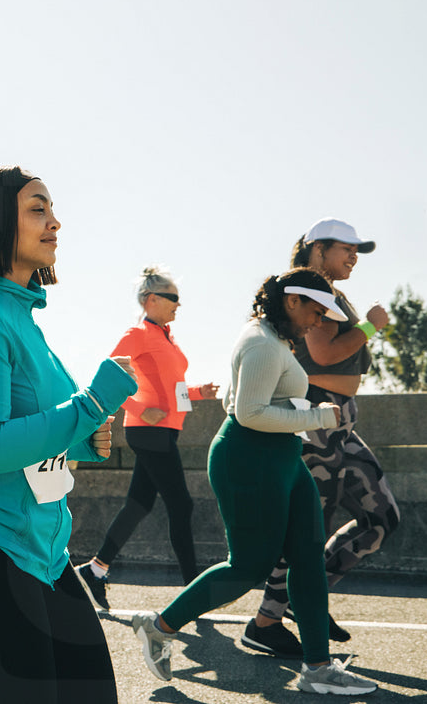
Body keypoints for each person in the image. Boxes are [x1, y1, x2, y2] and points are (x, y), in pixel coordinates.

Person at [0, 167, 135, 704]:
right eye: (38, 209)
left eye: (51, 210)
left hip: (43, 553)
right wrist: (90, 405)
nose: (55, 222)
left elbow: (30, 426)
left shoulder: (19, 314)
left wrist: (81, 438)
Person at [131, 268, 377, 696]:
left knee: (308, 557)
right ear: (292, 301)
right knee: (249, 565)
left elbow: (241, 401)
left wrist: (298, 418)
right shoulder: (262, 343)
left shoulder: (272, 339)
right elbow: (248, 413)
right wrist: (316, 416)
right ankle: (159, 626)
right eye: (316, 311)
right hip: (250, 458)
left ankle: (317, 668)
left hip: (282, 456)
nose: (319, 322)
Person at [242, 218, 400, 658]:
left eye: (356, 251)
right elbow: (325, 354)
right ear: (317, 248)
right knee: (309, 529)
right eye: (346, 249)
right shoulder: (312, 295)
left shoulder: (329, 294)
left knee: (382, 518)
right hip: (317, 422)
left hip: (341, 423)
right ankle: (265, 623)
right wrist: (371, 326)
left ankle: (307, 598)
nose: (353, 257)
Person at [74, 266, 219, 609]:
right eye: (173, 298)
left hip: (165, 430)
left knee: (139, 504)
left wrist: (199, 392)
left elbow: (173, 388)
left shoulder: (166, 338)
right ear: (151, 300)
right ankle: (193, 591)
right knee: (181, 504)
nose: (178, 305)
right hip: (148, 431)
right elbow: (106, 378)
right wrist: (139, 407)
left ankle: (95, 570)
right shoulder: (137, 334)